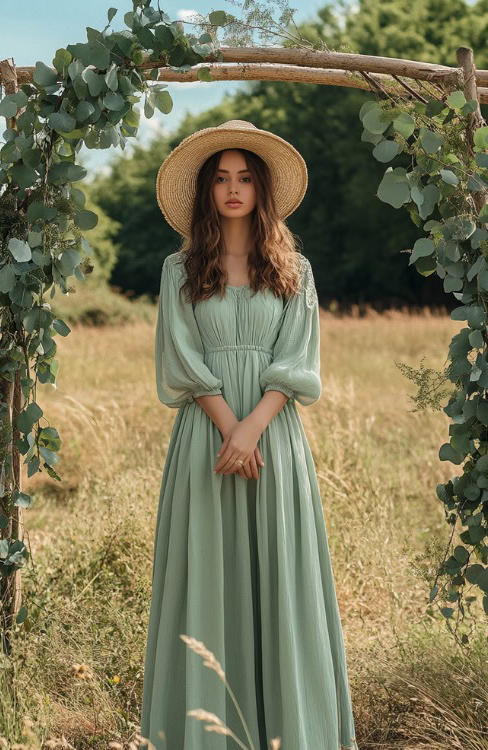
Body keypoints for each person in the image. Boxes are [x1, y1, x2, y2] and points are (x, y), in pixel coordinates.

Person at [140, 119, 358, 750]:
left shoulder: (295, 268)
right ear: (207, 192)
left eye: (244, 179)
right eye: (221, 179)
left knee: (282, 585)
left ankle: (291, 732)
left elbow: (298, 360)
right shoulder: (178, 268)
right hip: (205, 441)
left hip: (274, 441)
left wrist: (252, 428)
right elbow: (181, 357)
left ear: (261, 190)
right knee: (207, 576)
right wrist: (229, 429)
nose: (233, 190)